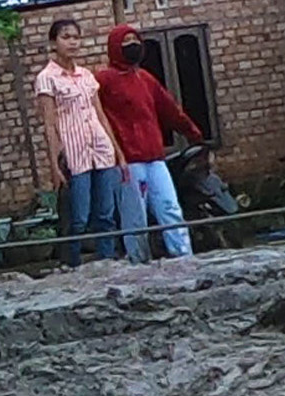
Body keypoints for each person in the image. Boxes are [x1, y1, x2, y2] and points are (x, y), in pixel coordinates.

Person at [99, 28, 203, 259]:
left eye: (135, 40)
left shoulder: (145, 78)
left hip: (155, 157)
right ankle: (138, 260)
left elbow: (169, 109)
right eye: (126, 41)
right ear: (115, 46)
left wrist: (193, 132)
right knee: (135, 216)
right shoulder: (104, 80)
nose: (132, 45)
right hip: (128, 160)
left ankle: (184, 256)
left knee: (170, 207)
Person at [31, 16, 127, 265]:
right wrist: (53, 164)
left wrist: (118, 152)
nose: (72, 43)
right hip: (75, 155)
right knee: (78, 217)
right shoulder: (47, 78)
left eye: (75, 37)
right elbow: (50, 124)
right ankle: (72, 265)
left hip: (100, 149)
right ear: (54, 42)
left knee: (106, 213)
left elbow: (100, 114)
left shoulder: (86, 76)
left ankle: (108, 262)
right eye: (66, 37)